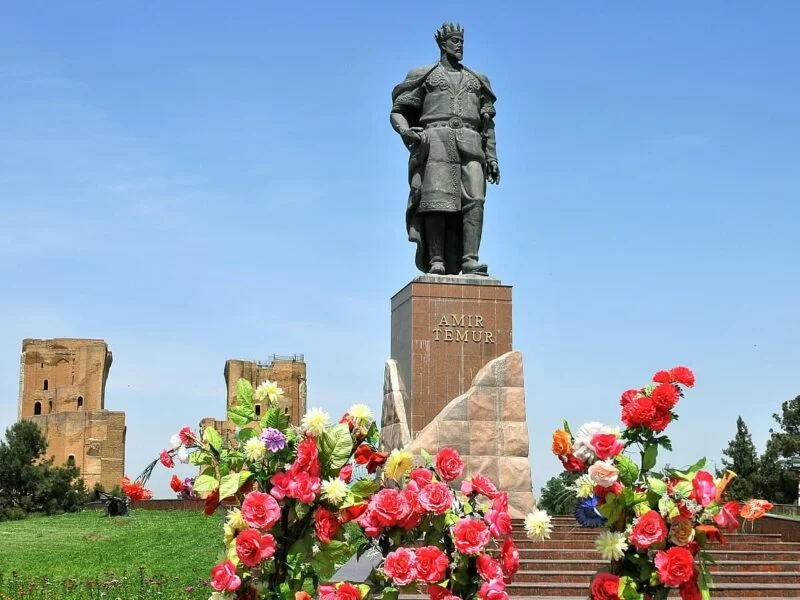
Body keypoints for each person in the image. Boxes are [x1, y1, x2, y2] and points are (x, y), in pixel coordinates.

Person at [391, 22, 500, 276]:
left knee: (476, 200)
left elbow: (488, 124)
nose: (460, 45)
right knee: (435, 201)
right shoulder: (425, 75)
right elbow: (399, 112)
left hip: (472, 144)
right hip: (435, 141)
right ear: (443, 44)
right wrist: (406, 131)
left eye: (462, 41)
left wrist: (492, 156)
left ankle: (470, 259)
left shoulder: (477, 80)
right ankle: (436, 260)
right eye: (454, 41)